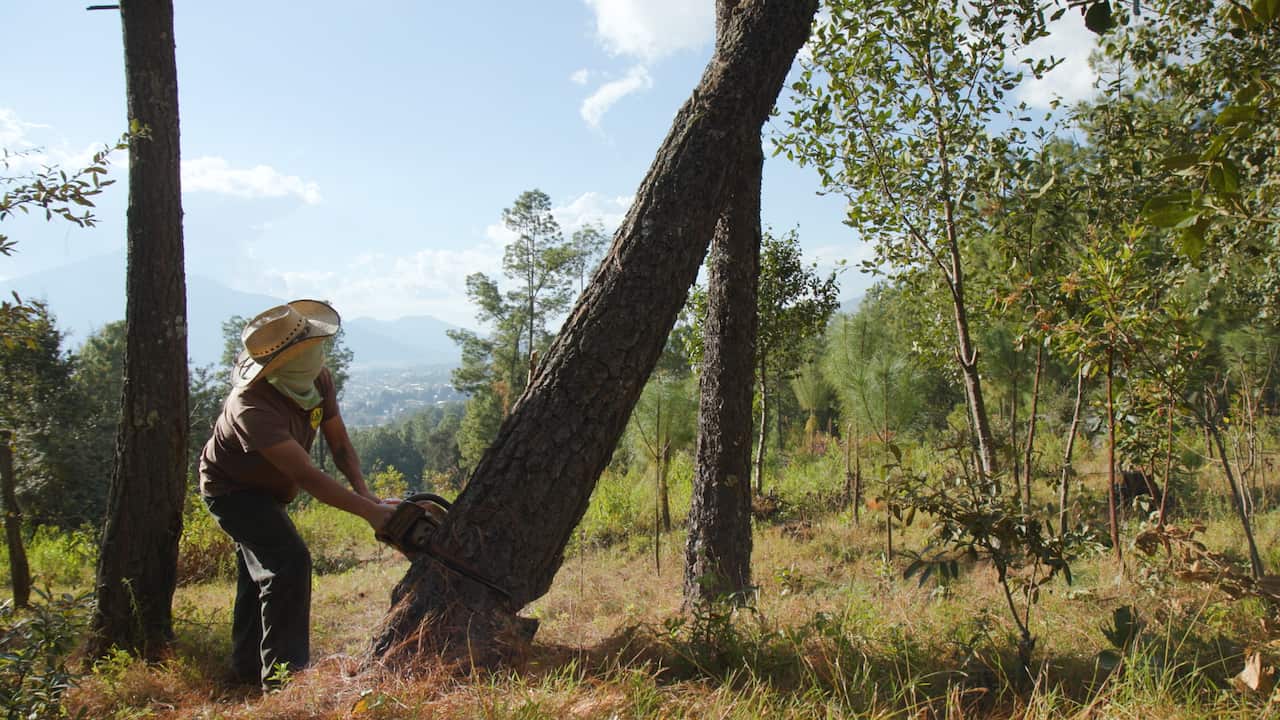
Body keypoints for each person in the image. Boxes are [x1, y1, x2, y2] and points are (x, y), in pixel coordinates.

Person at [198, 299, 395, 688]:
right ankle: (285, 680)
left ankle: (247, 669)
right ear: (286, 361)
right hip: (232, 491)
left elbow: (339, 444)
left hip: (271, 489)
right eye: (310, 348)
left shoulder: (317, 379)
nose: (320, 353)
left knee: (259, 573)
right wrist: (369, 514)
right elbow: (307, 476)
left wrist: (366, 494)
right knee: (288, 563)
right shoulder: (251, 407)